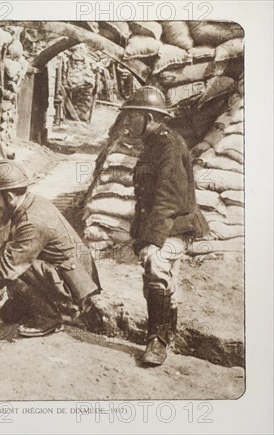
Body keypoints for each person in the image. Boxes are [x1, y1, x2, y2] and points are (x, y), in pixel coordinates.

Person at [0, 160, 101, 337]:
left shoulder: (33, 221)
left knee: (11, 269)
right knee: (8, 314)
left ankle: (50, 318)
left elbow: (7, 267)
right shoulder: (30, 203)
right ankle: (37, 306)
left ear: (10, 197)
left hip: (75, 284)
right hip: (64, 272)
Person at [118, 86, 209, 366]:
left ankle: (156, 339)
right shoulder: (151, 145)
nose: (127, 122)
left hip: (177, 225)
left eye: (132, 117)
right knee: (157, 282)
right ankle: (167, 328)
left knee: (156, 264)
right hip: (161, 224)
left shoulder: (169, 146)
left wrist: (152, 240)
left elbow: (167, 200)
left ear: (148, 117)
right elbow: (144, 198)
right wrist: (139, 235)